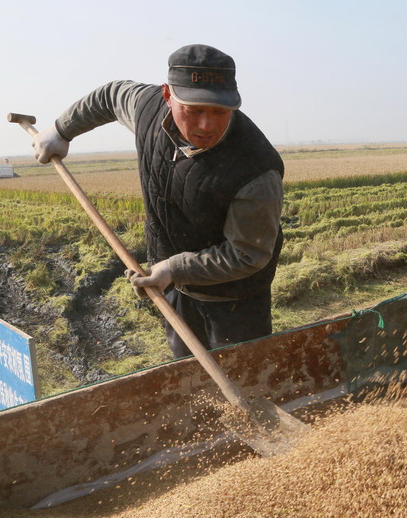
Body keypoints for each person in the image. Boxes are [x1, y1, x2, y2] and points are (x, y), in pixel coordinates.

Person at [32, 44, 284, 359]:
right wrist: (61, 130)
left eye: (219, 111)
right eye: (194, 110)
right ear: (167, 95)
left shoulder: (255, 169)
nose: (207, 125)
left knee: (242, 371)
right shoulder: (148, 109)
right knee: (185, 370)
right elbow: (109, 96)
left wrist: (173, 269)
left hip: (236, 298)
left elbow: (246, 254)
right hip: (174, 287)